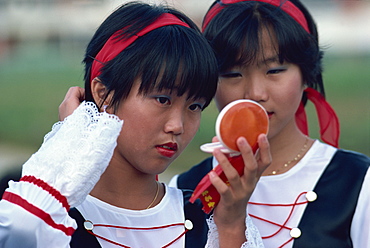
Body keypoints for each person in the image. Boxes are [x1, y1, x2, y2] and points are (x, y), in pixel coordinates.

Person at [0, 2, 271, 248]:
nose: (177, 126)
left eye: (194, 106)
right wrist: (73, 140)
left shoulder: (209, 223)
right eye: (162, 99)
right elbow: (22, 227)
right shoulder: (53, 213)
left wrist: (233, 223)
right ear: (103, 94)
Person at [167, 0, 370, 247]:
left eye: (274, 70)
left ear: (308, 75)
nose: (255, 93)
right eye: (232, 74)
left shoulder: (359, 183)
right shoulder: (186, 188)